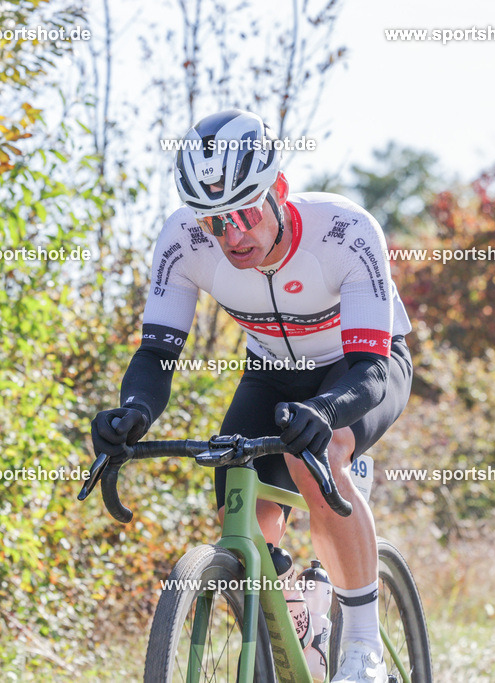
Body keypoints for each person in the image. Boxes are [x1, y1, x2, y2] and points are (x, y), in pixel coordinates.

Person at [91, 109, 413, 683]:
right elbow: (156, 355)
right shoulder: (183, 241)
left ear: (278, 190)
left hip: (360, 366)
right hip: (272, 372)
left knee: (318, 455)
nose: (232, 236)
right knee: (238, 503)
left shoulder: (344, 230)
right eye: (215, 223)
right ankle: (298, 618)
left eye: (244, 213)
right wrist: (134, 413)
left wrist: (325, 411)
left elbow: (370, 368)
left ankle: (362, 647)